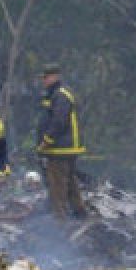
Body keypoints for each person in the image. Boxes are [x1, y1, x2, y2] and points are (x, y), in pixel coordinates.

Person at [36, 64, 89, 219]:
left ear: (54, 76)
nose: (43, 81)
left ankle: (60, 219)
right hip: (65, 148)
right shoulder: (56, 94)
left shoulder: (61, 95)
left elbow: (58, 121)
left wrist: (46, 140)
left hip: (60, 148)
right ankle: (79, 213)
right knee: (70, 180)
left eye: (45, 77)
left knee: (57, 184)